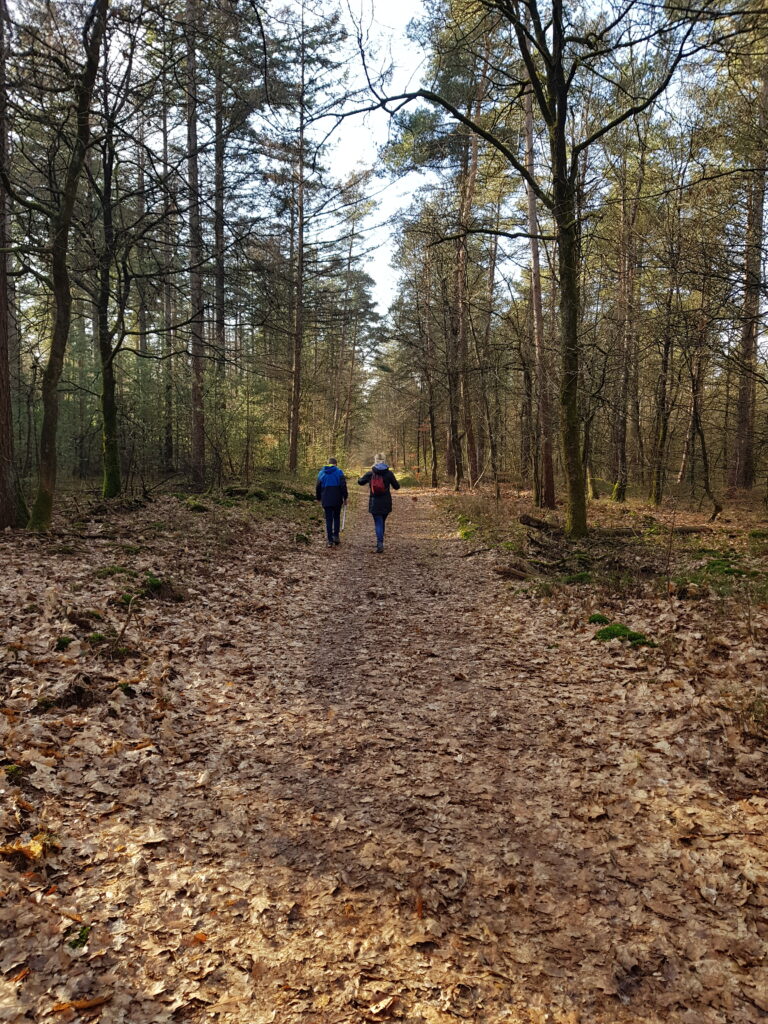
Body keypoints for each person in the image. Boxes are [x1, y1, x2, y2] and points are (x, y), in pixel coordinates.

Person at [358, 453, 400, 553]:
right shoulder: (389, 473)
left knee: (378, 522)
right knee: (382, 522)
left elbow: (360, 482)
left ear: (375, 460)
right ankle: (380, 542)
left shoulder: (370, 473)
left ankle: (380, 543)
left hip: (374, 502)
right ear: (384, 460)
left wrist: (360, 478)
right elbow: (397, 486)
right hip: (386, 502)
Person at [316, 458, 348, 547]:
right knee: (336, 517)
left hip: (326, 498)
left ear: (328, 464)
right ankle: (336, 536)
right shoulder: (339, 472)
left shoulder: (321, 472)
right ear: (336, 464)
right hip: (337, 498)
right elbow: (343, 486)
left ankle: (329, 540)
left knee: (329, 519)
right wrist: (345, 497)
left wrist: (318, 498)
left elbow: (318, 486)